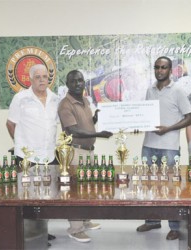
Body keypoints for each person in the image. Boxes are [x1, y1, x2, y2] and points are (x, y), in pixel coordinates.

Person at [137, 56, 191, 240]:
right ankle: (152, 221)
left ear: (170, 70)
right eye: (157, 67)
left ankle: (175, 226)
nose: (160, 70)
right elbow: (146, 115)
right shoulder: (150, 90)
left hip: (169, 147)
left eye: (163, 67)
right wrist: (137, 123)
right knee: (149, 184)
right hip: (149, 145)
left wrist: (168, 128)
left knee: (171, 186)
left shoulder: (178, 90)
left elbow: (190, 117)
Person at [58, 69, 113, 243]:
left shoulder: (86, 101)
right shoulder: (65, 104)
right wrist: (99, 134)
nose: (77, 84)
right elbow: (72, 130)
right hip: (75, 152)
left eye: (80, 80)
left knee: (86, 187)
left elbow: (86, 124)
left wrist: (96, 120)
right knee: (74, 191)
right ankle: (75, 228)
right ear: (67, 84)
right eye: (73, 81)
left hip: (88, 152)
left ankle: (85, 220)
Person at [6, 64, 58, 244]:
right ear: (31, 79)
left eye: (45, 76)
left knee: (46, 196)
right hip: (27, 158)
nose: (43, 80)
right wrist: (21, 145)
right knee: (27, 196)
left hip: (49, 156)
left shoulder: (55, 99)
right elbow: (10, 124)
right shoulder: (20, 98)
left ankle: (41, 231)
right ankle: (27, 234)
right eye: (38, 77)